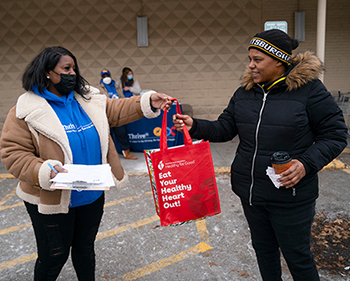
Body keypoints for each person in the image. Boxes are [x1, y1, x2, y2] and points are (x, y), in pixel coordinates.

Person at [173, 29, 348, 281]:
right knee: (264, 251)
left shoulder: (310, 91)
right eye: (250, 59)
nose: (250, 65)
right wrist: (195, 125)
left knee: (297, 256)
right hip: (251, 193)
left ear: (278, 60)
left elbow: (335, 134)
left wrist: (306, 163)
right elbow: (225, 128)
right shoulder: (245, 92)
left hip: (291, 196)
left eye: (257, 59)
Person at [0, 46, 172, 281]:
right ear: (48, 72)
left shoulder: (88, 99)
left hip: (90, 195)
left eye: (74, 68)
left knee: (85, 250)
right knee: (53, 256)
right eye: (66, 68)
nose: (73, 73)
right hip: (52, 198)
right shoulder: (24, 111)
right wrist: (43, 170)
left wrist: (147, 101)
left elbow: (117, 109)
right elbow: (13, 153)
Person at [99, 69, 138, 160]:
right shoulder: (100, 88)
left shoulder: (116, 86)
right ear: (102, 77)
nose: (106, 78)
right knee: (108, 136)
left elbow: (122, 97)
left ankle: (126, 153)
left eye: (107, 75)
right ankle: (108, 157)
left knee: (122, 133)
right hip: (106, 113)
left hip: (118, 113)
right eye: (104, 76)